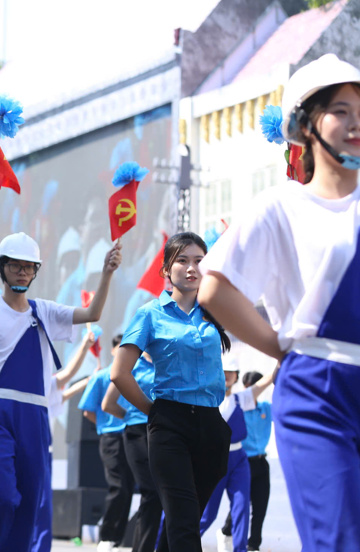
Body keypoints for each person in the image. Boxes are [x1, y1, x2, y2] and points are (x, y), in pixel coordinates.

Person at [198, 53, 360, 552]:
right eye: (340, 110)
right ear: (306, 125)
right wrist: (279, 346)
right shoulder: (281, 206)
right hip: (318, 393)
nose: (356, 123)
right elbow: (215, 289)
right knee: (338, 541)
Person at [0, 232, 120, 552]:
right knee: (2, 494)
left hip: (35, 415)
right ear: (2, 268)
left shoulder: (45, 311)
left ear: (36, 271)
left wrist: (107, 273)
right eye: (15, 265)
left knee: (28, 504)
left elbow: (92, 314)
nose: (22, 272)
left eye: (29, 267)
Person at [110, 232, 231, 552]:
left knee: (186, 521)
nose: (191, 268)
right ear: (166, 269)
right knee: (183, 524)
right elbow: (119, 373)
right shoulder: (150, 314)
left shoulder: (216, 311)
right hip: (169, 425)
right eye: (182, 260)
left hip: (212, 424)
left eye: (199, 261)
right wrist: (155, 412)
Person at [198, 356, 275, 552]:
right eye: (222, 372)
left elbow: (265, 382)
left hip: (240, 459)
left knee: (241, 509)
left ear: (236, 376)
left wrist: (282, 360)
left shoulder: (242, 399)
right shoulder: (204, 400)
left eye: (230, 373)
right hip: (215, 461)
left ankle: (240, 549)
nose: (226, 377)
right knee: (208, 514)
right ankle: (172, 544)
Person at [78, 334, 133, 552]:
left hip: (133, 435)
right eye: (120, 348)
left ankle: (117, 540)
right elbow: (88, 412)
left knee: (128, 488)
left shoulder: (134, 375)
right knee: (118, 486)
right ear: (113, 350)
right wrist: (105, 425)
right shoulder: (101, 377)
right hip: (111, 438)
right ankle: (106, 537)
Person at [102, 350, 158, 552]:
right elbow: (108, 404)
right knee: (151, 492)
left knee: (168, 493)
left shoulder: (169, 361)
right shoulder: (133, 364)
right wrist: (133, 416)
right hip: (138, 432)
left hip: (166, 431)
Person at [218, 370, 274, 552]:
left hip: (261, 461)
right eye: (249, 388)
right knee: (240, 505)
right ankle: (226, 532)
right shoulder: (237, 405)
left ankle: (253, 545)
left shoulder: (265, 408)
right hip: (242, 460)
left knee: (260, 507)